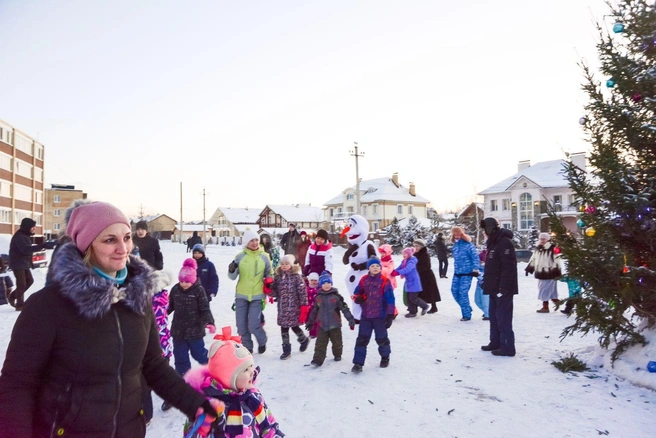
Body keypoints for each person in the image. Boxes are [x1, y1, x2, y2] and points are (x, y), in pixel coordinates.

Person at [0, 200, 218, 437]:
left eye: (126, 237)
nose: (123, 248)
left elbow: (153, 365)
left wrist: (195, 404)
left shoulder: (138, 298)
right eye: (109, 239)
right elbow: (17, 386)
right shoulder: (47, 306)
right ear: (86, 246)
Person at [183, 326, 284, 437]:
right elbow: (192, 433)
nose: (252, 372)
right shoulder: (208, 406)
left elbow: (268, 427)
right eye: (245, 369)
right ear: (227, 377)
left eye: (251, 366)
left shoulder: (253, 396)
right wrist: (204, 426)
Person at [228, 229, 273, 354]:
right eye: (251, 240)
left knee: (253, 324)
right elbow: (232, 277)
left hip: (257, 296)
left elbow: (270, 272)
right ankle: (248, 346)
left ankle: (262, 340)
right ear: (246, 242)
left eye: (256, 240)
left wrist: (270, 280)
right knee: (241, 326)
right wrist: (232, 269)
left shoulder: (264, 256)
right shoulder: (240, 257)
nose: (254, 243)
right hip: (241, 295)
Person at [480, 217, 518, 357]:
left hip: (503, 289)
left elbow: (508, 267)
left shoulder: (504, 243)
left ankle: (507, 347)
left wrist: (504, 287)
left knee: (503, 318)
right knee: (494, 317)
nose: (483, 233)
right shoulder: (494, 242)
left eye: (484, 230)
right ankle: (495, 342)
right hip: (493, 287)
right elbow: (493, 266)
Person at [351, 256, 396, 372]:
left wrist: (390, 315)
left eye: (377, 266)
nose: (375, 268)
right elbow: (356, 293)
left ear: (380, 268)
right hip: (366, 316)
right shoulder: (363, 280)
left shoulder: (385, 281)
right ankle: (358, 363)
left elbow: (390, 299)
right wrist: (358, 298)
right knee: (362, 339)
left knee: (382, 339)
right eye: (372, 266)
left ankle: (385, 357)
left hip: (380, 316)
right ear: (368, 268)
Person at [143, 269, 174, 425]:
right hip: (161, 349)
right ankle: (148, 413)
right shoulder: (161, 300)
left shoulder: (151, 305)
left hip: (155, 350)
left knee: (149, 381)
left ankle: (147, 415)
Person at [307, 271, 355, 367]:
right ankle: (317, 360)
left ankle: (337, 354)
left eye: (328, 283)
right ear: (320, 285)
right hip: (322, 325)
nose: (326, 285)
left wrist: (350, 319)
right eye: (324, 283)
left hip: (335, 324)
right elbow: (314, 311)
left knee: (337, 342)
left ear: (331, 283)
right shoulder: (318, 298)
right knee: (320, 343)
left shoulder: (336, 297)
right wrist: (310, 322)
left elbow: (344, 308)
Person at [270, 254, 310, 360]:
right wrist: (269, 289)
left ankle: (303, 339)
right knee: (284, 328)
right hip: (283, 308)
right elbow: (275, 292)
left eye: (286, 264)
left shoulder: (297, 277)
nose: (284, 266)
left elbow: (302, 292)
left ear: (291, 265)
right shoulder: (278, 277)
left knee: (294, 326)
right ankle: (286, 350)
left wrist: (304, 306)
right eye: (282, 264)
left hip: (294, 307)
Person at [7, 218, 43, 310]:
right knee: (21, 284)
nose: (34, 229)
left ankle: (13, 296)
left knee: (30, 281)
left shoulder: (25, 235)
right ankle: (19, 305)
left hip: (23, 263)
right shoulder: (19, 237)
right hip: (17, 263)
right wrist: (42, 246)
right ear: (27, 227)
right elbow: (25, 249)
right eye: (32, 227)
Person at [525, 232, 563, 313]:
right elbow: (533, 259)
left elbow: (559, 254)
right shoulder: (537, 248)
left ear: (548, 239)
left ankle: (545, 307)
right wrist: (529, 268)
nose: (542, 240)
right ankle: (556, 302)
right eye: (541, 239)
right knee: (550, 290)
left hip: (551, 272)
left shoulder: (552, 248)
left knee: (544, 289)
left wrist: (558, 245)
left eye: (544, 239)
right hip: (540, 272)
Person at [450, 226, 480, 321]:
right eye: (455, 235)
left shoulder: (468, 245)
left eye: (458, 234)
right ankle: (466, 307)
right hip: (457, 273)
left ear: (462, 234)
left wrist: (475, 269)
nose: (457, 236)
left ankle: (466, 315)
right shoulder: (455, 245)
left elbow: (475, 257)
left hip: (467, 273)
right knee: (454, 292)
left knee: (463, 294)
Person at [392, 246, 428, 318]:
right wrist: (394, 271)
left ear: (409, 254)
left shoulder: (412, 261)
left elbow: (408, 269)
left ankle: (425, 306)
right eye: (403, 254)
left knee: (413, 298)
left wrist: (398, 273)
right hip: (409, 282)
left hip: (414, 282)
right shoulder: (405, 261)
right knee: (409, 298)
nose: (403, 255)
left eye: (405, 254)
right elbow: (400, 267)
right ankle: (412, 312)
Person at [413, 239, 441, 314]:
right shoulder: (415, 254)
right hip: (419, 275)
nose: (416, 247)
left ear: (422, 246)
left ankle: (434, 307)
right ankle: (416, 307)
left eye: (417, 246)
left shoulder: (425, 254)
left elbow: (426, 266)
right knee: (419, 292)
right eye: (415, 246)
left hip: (427, 276)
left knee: (430, 292)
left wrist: (416, 269)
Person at [474, 250, 490, 320]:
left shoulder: (489, 267)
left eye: (482, 261)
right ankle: (487, 312)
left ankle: (488, 315)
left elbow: (486, 276)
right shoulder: (478, 267)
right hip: (479, 285)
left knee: (485, 302)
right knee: (477, 301)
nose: (481, 262)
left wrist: (479, 275)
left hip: (486, 286)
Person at [305, 272, 320, 338]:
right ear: (309, 281)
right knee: (309, 320)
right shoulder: (306, 289)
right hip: (308, 308)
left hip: (316, 308)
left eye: (315, 280)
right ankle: (311, 331)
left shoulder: (319, 289)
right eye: (312, 280)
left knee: (316, 320)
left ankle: (314, 333)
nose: (314, 282)